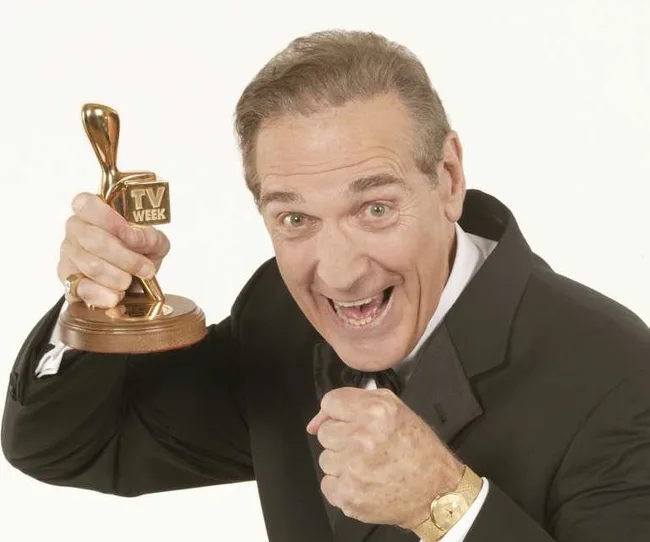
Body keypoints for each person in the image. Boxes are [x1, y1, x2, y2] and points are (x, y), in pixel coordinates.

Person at [2, 29, 650, 542]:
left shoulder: (619, 377)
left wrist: (448, 506)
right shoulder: (279, 318)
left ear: (448, 178)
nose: (338, 273)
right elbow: (69, 448)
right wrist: (97, 304)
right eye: (295, 219)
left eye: (375, 208)